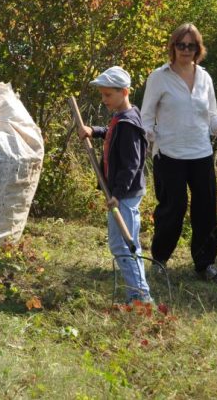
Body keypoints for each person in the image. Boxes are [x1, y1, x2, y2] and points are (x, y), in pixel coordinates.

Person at [141, 23, 217, 282]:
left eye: (191, 45)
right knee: (173, 208)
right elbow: (147, 118)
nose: (186, 50)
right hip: (169, 154)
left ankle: (206, 264)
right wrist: (143, 143)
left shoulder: (205, 77)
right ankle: (159, 261)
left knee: (206, 209)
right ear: (172, 46)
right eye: (181, 45)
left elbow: (211, 115)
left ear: (198, 48)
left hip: (200, 153)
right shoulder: (159, 77)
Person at [77, 66, 152, 304]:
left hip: (125, 195)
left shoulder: (128, 124)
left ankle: (140, 297)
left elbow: (132, 165)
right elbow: (111, 132)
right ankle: (137, 294)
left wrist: (117, 195)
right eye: (102, 95)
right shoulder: (122, 118)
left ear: (125, 92)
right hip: (123, 193)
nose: (104, 100)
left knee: (125, 244)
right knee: (122, 243)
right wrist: (94, 131)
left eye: (108, 95)